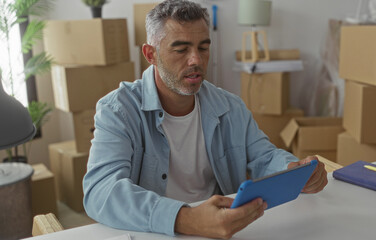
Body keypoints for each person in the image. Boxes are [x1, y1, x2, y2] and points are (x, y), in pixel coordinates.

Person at [82, 0, 328, 239]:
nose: (196, 61)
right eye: (181, 49)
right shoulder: (118, 110)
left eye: (203, 48)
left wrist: (293, 170)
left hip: (222, 229)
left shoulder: (230, 106)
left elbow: (264, 156)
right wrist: (186, 219)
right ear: (151, 54)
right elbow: (100, 192)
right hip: (156, 231)